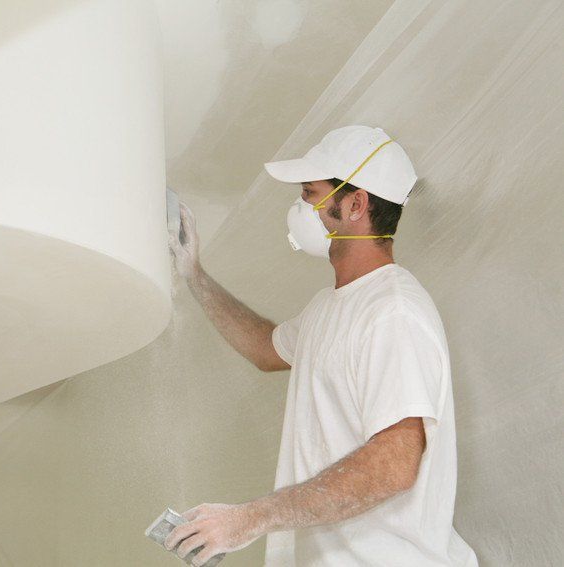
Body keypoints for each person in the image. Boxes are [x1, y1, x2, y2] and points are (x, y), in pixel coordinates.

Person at [164, 126, 478, 566]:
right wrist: (193, 273)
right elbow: (265, 349)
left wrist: (249, 519)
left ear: (355, 204)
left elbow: (395, 463)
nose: (301, 207)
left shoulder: (393, 313)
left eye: (310, 194)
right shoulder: (328, 308)